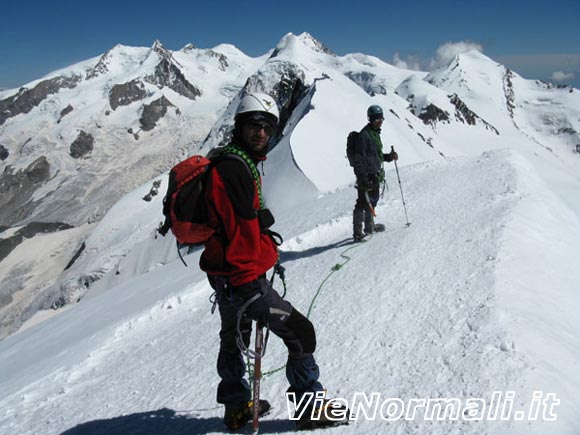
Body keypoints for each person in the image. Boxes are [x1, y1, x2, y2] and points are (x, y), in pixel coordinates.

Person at [200, 93, 335, 430]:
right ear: (240, 127)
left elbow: (232, 220)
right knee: (300, 333)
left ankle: (236, 408)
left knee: (233, 340)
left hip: (223, 276)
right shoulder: (237, 170)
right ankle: (309, 408)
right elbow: (243, 232)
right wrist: (253, 280)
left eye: (267, 126)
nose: (261, 132)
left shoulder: (227, 160)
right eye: (254, 125)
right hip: (244, 278)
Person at [352, 104, 398, 242]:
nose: (380, 122)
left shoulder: (374, 134)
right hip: (366, 175)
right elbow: (359, 160)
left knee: (371, 202)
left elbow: (375, 156)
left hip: (374, 174)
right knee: (361, 203)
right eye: (377, 120)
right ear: (371, 119)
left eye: (381, 119)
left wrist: (389, 157)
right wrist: (362, 179)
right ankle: (357, 233)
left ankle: (369, 227)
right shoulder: (364, 136)